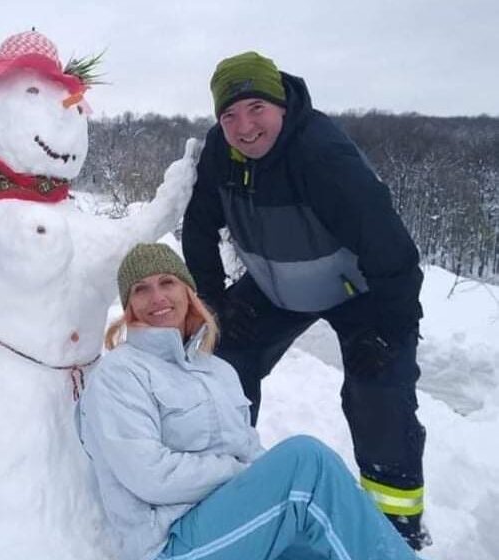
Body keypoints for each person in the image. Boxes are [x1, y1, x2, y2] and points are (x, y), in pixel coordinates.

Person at [180, 51, 429, 549]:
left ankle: (393, 531)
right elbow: (199, 226)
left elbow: (393, 252)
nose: (244, 127)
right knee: (222, 363)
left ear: (282, 106)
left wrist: (387, 329)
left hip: (357, 289)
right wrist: (215, 303)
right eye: (229, 115)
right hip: (274, 287)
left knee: (379, 392)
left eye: (256, 109)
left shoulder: (320, 153)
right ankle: (235, 487)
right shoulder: (219, 152)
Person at [78, 243, 419, 560]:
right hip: (170, 542)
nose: (156, 297)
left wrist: (256, 476)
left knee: (330, 531)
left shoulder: (218, 372)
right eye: (141, 289)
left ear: (187, 291)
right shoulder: (120, 374)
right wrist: (240, 474)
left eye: (166, 282)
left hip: (237, 525)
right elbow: (149, 475)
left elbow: (248, 449)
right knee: (307, 463)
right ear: (129, 307)